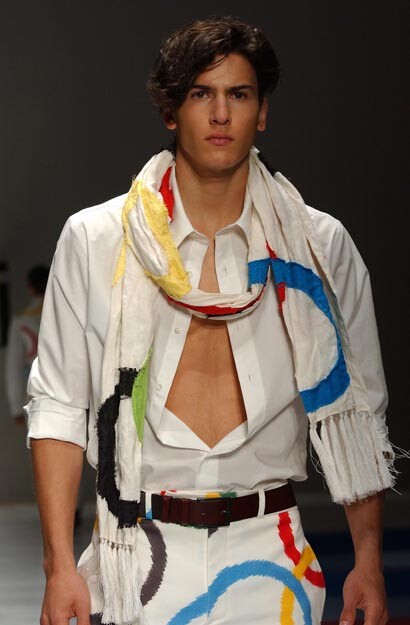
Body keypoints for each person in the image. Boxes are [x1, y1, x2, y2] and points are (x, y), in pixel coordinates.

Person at [27, 17, 397, 625]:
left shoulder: (321, 250)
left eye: (239, 94)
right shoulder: (96, 240)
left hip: (273, 553)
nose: (221, 114)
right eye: (202, 93)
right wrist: (58, 567)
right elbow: (59, 408)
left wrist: (369, 561)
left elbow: (359, 408)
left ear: (262, 111)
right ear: (171, 111)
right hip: (133, 553)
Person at [5, 264, 49, 426]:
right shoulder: (68, 313)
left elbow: (14, 365)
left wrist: (16, 406)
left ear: (30, 287)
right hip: (70, 390)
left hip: (37, 392)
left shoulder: (21, 320)